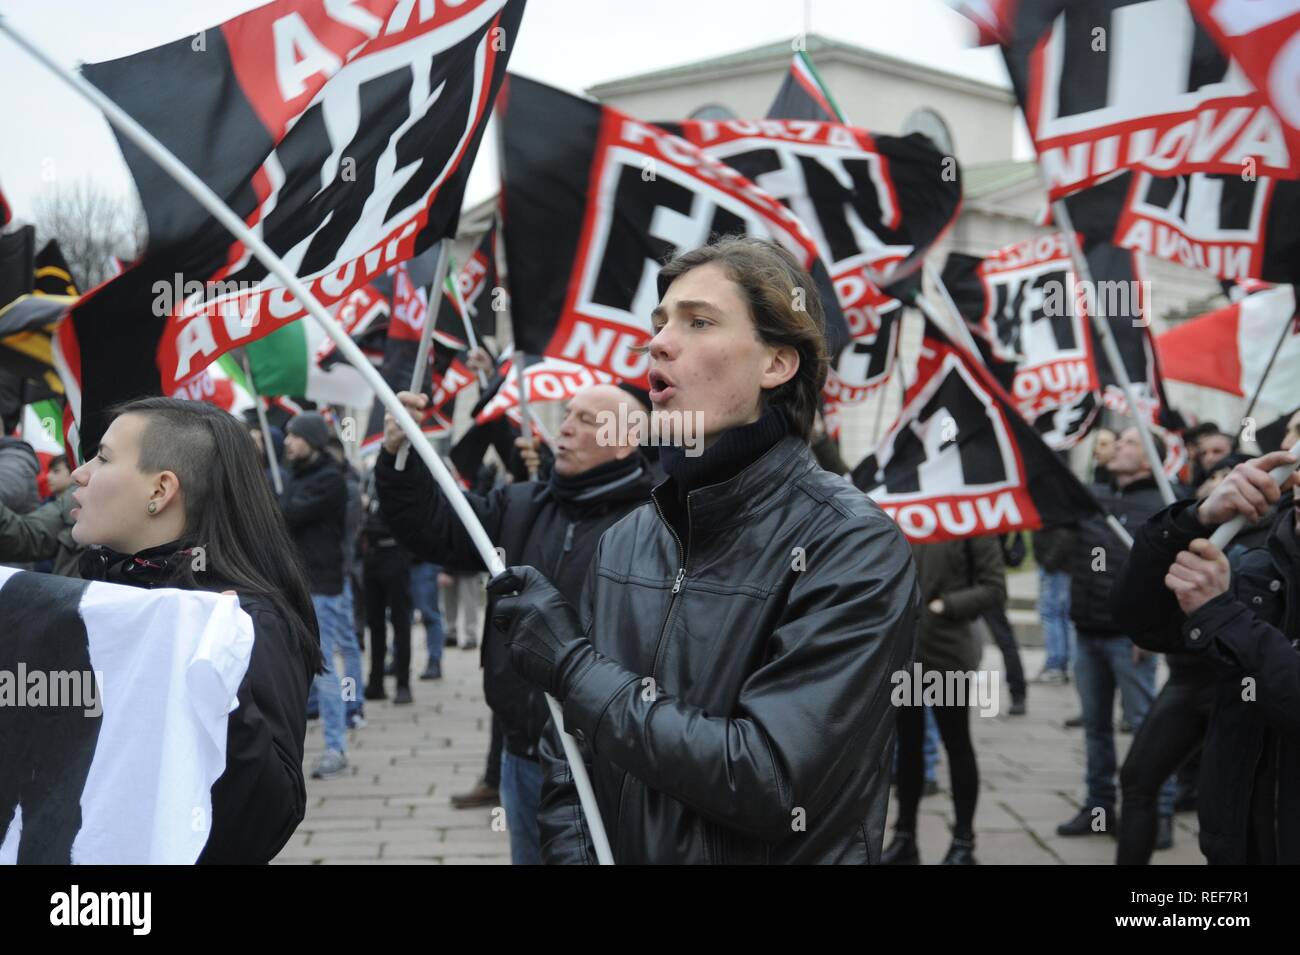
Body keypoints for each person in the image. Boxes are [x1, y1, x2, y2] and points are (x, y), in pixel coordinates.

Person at [489, 237, 918, 864]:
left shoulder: (850, 543)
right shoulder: (628, 539)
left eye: (699, 321)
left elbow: (771, 779)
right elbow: (573, 760)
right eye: (659, 323)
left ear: (776, 364)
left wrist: (572, 667)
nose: (657, 342)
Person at [376, 382, 657, 864]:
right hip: (524, 754)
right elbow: (433, 528)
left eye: (586, 421)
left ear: (627, 439)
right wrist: (400, 455)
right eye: (567, 414)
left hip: (613, 768)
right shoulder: (523, 505)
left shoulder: (657, 521)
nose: (565, 427)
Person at [65, 396, 319, 863]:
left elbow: (267, 818)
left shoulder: (246, 619)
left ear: (160, 491)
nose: (79, 473)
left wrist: (218, 674)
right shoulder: (100, 591)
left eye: (102, 457)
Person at [1112, 410, 1300, 864]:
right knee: (1138, 777)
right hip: (1237, 848)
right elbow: (1144, 621)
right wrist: (1191, 520)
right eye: (1296, 435)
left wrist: (1221, 615)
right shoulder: (1261, 567)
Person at [1056, 426, 1176, 841]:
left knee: (1146, 726)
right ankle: (1098, 809)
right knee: (1095, 726)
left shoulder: (1163, 503)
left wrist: (1152, 628)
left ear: (1148, 460)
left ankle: (1157, 814)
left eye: (1127, 442)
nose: (1118, 446)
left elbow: (1168, 575)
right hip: (1088, 629)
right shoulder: (1096, 497)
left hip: (1132, 639)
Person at [884, 535, 1005, 865]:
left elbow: (994, 588)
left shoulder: (970, 523)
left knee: (956, 743)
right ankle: (904, 837)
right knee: (908, 747)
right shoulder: (904, 514)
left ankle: (963, 842)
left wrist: (944, 605)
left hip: (947, 654)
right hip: (906, 653)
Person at [280, 411, 354, 780]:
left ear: (311, 439)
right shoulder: (296, 476)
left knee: (325, 671)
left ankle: (336, 747)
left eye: (294, 436)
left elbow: (288, 516)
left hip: (322, 587)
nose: (286, 442)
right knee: (296, 671)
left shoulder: (329, 480)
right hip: (296, 585)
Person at [362, 465, 415, 705]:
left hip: (395, 554)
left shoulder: (401, 483)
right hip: (373, 557)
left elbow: (396, 522)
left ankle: (403, 683)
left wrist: (369, 520)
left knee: (401, 622)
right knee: (375, 623)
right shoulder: (370, 484)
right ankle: (376, 681)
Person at [1033, 524, 1077, 683]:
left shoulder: (1055, 510)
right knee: (1063, 615)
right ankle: (1066, 664)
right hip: (1060, 563)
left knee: (1051, 614)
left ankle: (1055, 665)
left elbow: (1065, 532)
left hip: (1054, 565)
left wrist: (1049, 561)